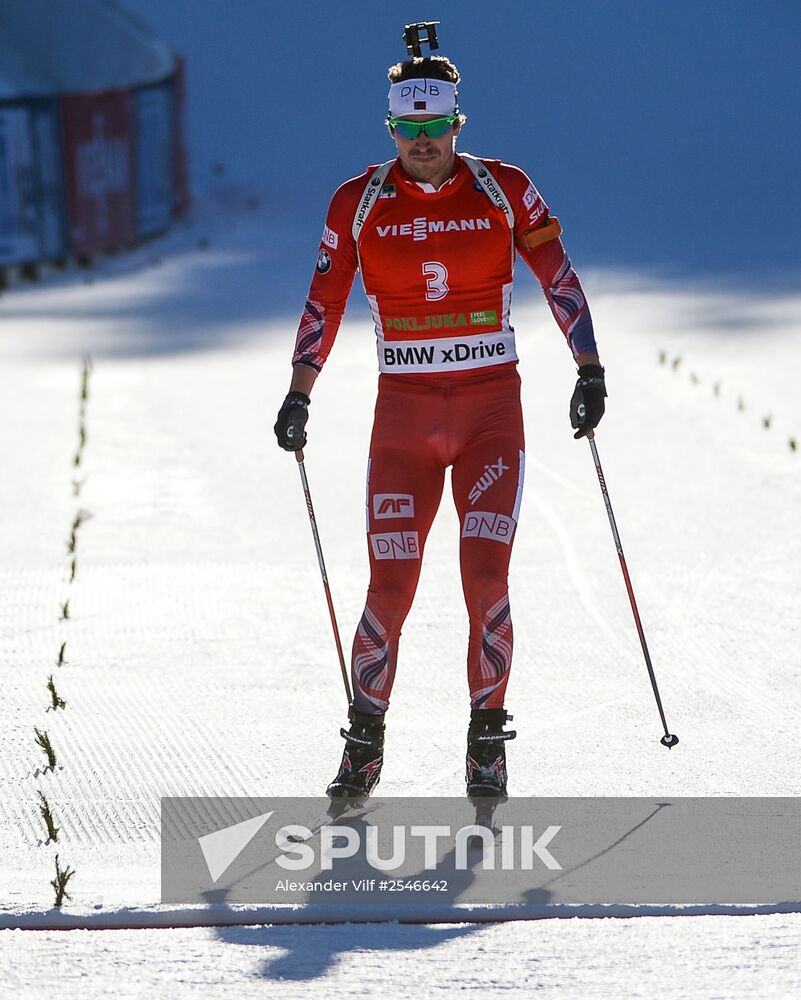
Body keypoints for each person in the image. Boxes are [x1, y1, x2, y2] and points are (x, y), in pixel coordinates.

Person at [274, 52, 606, 799]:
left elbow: (558, 275)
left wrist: (589, 370)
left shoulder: (502, 187)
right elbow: (322, 299)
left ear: (456, 121)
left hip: (490, 411)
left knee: (485, 578)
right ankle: (363, 746)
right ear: (389, 125)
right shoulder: (356, 201)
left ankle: (486, 744)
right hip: (404, 419)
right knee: (389, 586)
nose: (419, 141)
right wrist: (300, 393)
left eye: (432, 124)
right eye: (404, 125)